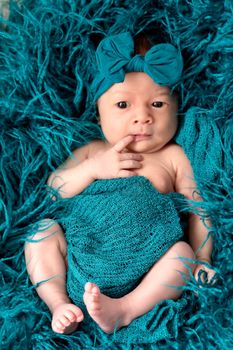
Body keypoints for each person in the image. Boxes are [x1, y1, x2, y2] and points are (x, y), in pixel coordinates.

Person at [24, 32, 216, 335]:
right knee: (41, 232)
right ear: (99, 115)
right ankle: (58, 302)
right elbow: (52, 190)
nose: (143, 117)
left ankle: (125, 309)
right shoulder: (94, 151)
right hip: (80, 257)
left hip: (145, 268)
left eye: (157, 103)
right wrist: (91, 169)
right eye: (123, 104)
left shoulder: (174, 157)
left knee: (183, 255)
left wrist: (202, 259)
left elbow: (199, 208)